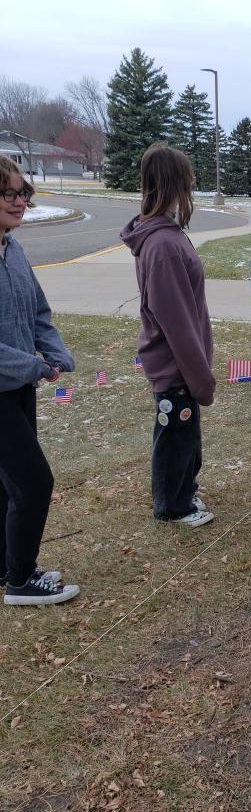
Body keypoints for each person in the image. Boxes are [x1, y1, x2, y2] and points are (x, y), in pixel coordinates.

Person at [121, 143, 216, 528]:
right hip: (175, 364)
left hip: (183, 365)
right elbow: (176, 321)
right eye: (188, 180)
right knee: (175, 434)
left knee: (184, 432)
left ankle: (183, 490)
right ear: (173, 183)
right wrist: (199, 376)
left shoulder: (168, 236)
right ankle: (172, 506)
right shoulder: (162, 245)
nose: (192, 187)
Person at [0, 155, 79, 605]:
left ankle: (5, 565)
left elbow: (38, 312)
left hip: (16, 388)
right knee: (33, 483)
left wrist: (55, 350)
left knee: (7, 484)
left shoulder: (14, 248)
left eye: (23, 192)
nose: (20, 202)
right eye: (8, 193)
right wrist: (34, 365)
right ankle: (22, 580)